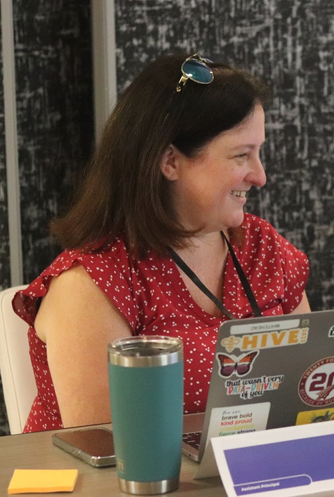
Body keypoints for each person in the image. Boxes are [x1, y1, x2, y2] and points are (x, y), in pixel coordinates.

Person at [12, 53, 310, 433]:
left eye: (258, 152)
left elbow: (308, 387)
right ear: (170, 161)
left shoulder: (262, 249)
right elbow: (108, 446)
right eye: (241, 155)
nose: (260, 175)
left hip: (253, 482)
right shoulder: (91, 283)